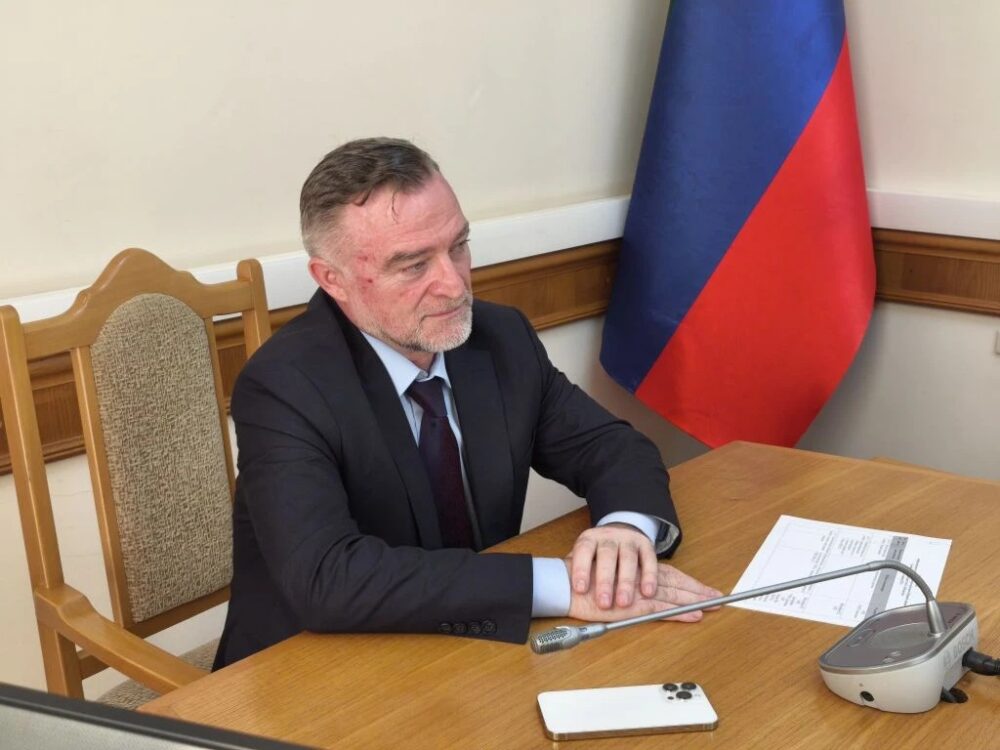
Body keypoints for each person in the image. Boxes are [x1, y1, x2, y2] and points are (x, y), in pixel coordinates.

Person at [213, 138, 720, 669]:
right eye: (413, 265)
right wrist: (562, 585)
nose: (454, 285)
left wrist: (625, 531)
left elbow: (610, 447)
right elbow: (328, 578)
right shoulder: (283, 386)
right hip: (311, 669)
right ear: (331, 280)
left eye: (458, 246)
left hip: (465, 650)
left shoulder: (499, 337)